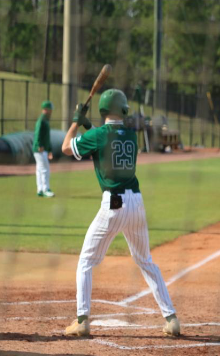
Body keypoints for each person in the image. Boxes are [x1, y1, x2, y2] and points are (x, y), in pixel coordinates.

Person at [61, 89, 180, 337]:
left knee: (86, 262)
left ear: (103, 109)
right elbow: (107, 137)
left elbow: (66, 147)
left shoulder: (98, 135)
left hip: (112, 205)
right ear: (124, 109)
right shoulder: (131, 135)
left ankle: (82, 320)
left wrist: (75, 122)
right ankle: (171, 318)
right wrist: (86, 125)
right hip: (136, 203)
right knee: (146, 261)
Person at [33, 101, 55, 197]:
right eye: (50, 110)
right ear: (45, 109)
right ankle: (46, 189)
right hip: (40, 149)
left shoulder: (45, 120)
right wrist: (39, 145)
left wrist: (49, 150)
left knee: (39, 169)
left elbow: (47, 137)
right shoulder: (41, 120)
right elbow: (37, 133)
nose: (51, 112)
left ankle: (40, 189)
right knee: (45, 168)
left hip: (43, 149)